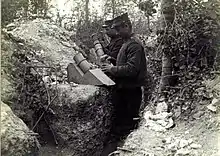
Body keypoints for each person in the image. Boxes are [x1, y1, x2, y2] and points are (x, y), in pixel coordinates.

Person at [101, 13, 147, 138]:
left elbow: (132, 69)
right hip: (125, 89)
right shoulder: (127, 43)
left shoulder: (134, 45)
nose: (116, 32)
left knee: (127, 124)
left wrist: (112, 69)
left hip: (130, 91)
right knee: (121, 121)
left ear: (126, 26)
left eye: (118, 29)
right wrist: (113, 59)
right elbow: (125, 63)